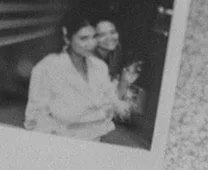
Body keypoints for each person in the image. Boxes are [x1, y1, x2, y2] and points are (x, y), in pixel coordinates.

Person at [23, 12, 141, 140]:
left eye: (94, 37)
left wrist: (122, 89)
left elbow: (110, 102)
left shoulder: (100, 67)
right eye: (83, 38)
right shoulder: (48, 67)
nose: (91, 44)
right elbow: (35, 118)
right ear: (67, 37)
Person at [93, 19, 145, 122]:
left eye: (113, 32)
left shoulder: (115, 53)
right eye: (102, 34)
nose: (110, 38)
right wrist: (123, 83)